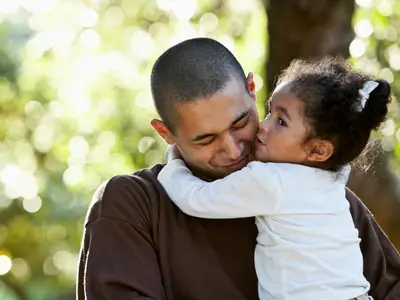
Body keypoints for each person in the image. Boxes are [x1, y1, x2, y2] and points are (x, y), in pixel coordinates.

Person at [76, 38, 400, 300]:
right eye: (206, 139)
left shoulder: (323, 198)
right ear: (166, 133)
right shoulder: (132, 205)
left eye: (241, 122)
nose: (233, 150)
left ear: (252, 89)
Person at [157, 58, 389, 300]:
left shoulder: (269, 180)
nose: (264, 126)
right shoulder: (333, 179)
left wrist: (174, 163)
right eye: (269, 112)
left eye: (281, 122)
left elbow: (196, 199)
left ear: (318, 151)